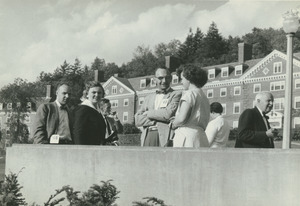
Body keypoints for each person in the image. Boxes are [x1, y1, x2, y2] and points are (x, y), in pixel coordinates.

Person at [135, 67, 182, 147]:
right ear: (154, 80)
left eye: (167, 78)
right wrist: (155, 121)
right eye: (160, 78)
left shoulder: (176, 94)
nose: (164, 81)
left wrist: (148, 113)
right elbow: (137, 120)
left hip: (165, 136)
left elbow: (167, 114)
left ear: (170, 78)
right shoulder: (148, 98)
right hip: (148, 135)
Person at [171, 64, 210, 148]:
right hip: (201, 137)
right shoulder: (204, 97)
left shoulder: (189, 94)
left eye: (182, 79)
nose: (181, 82)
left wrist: (173, 123)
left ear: (189, 78)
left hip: (186, 137)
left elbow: (182, 118)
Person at [73, 81, 106, 145]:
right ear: (87, 94)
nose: (97, 95)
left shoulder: (97, 110)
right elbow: (78, 132)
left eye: (99, 93)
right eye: (94, 92)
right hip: (85, 150)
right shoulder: (83, 109)